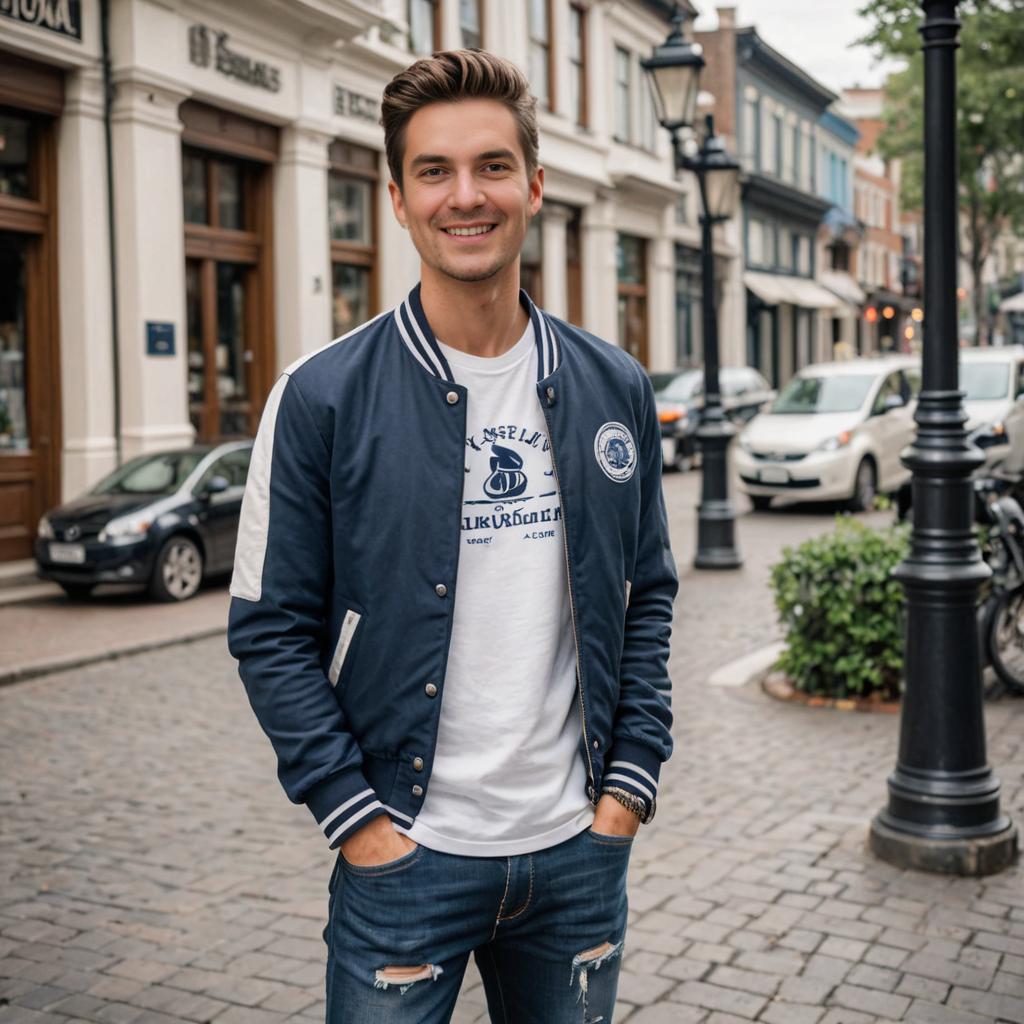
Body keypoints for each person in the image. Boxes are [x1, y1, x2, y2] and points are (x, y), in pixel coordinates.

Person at [227, 48, 677, 1024]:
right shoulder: (320, 399)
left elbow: (648, 594)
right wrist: (356, 819)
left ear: (535, 184)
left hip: (577, 858)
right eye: (433, 170)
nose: (464, 196)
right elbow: (267, 627)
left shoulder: (614, 388)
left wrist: (627, 789)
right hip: (403, 862)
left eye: (491, 166)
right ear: (395, 195)